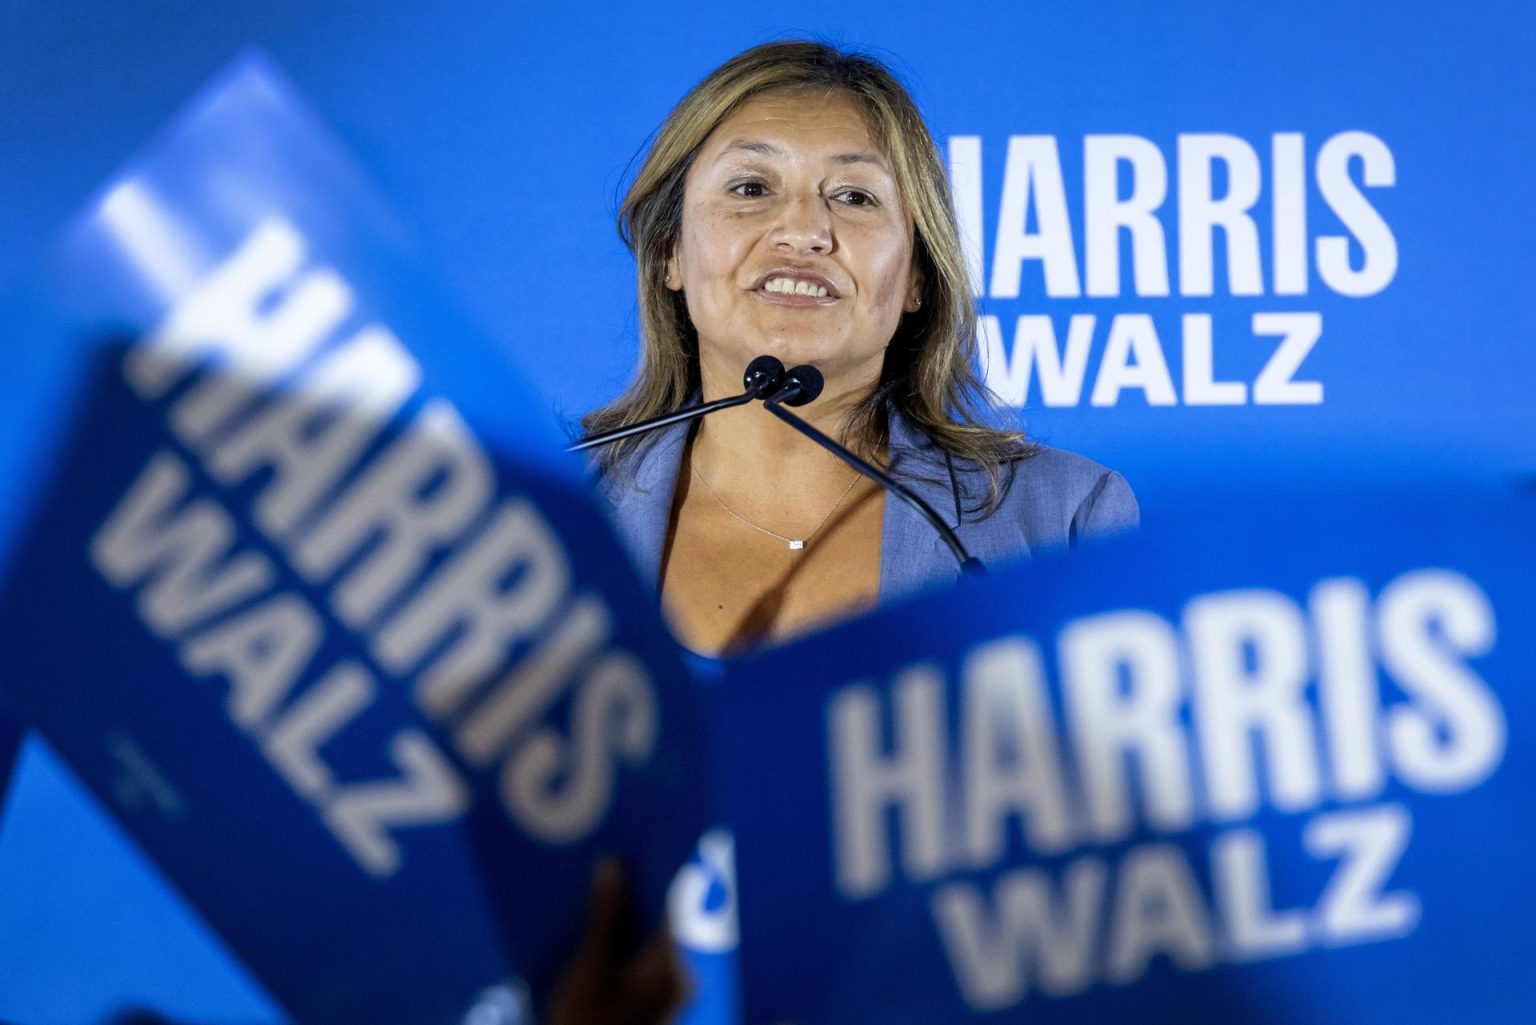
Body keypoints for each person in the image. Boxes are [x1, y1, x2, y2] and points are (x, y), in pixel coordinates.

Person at [586, 40, 1137, 659]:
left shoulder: (1064, 522)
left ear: (916, 278)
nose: (803, 231)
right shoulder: (541, 517)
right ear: (671, 254)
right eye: (750, 187)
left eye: (854, 197)